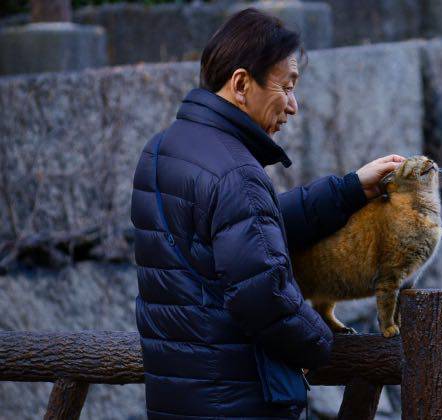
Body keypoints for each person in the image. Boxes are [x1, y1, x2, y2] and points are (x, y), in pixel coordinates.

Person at [130, 8, 404, 419]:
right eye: (287, 87)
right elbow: (264, 296)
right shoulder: (238, 173)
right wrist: (319, 343)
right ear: (241, 84)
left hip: (177, 396)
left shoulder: (161, 149)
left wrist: (348, 190)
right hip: (239, 402)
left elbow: (247, 230)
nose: (293, 106)